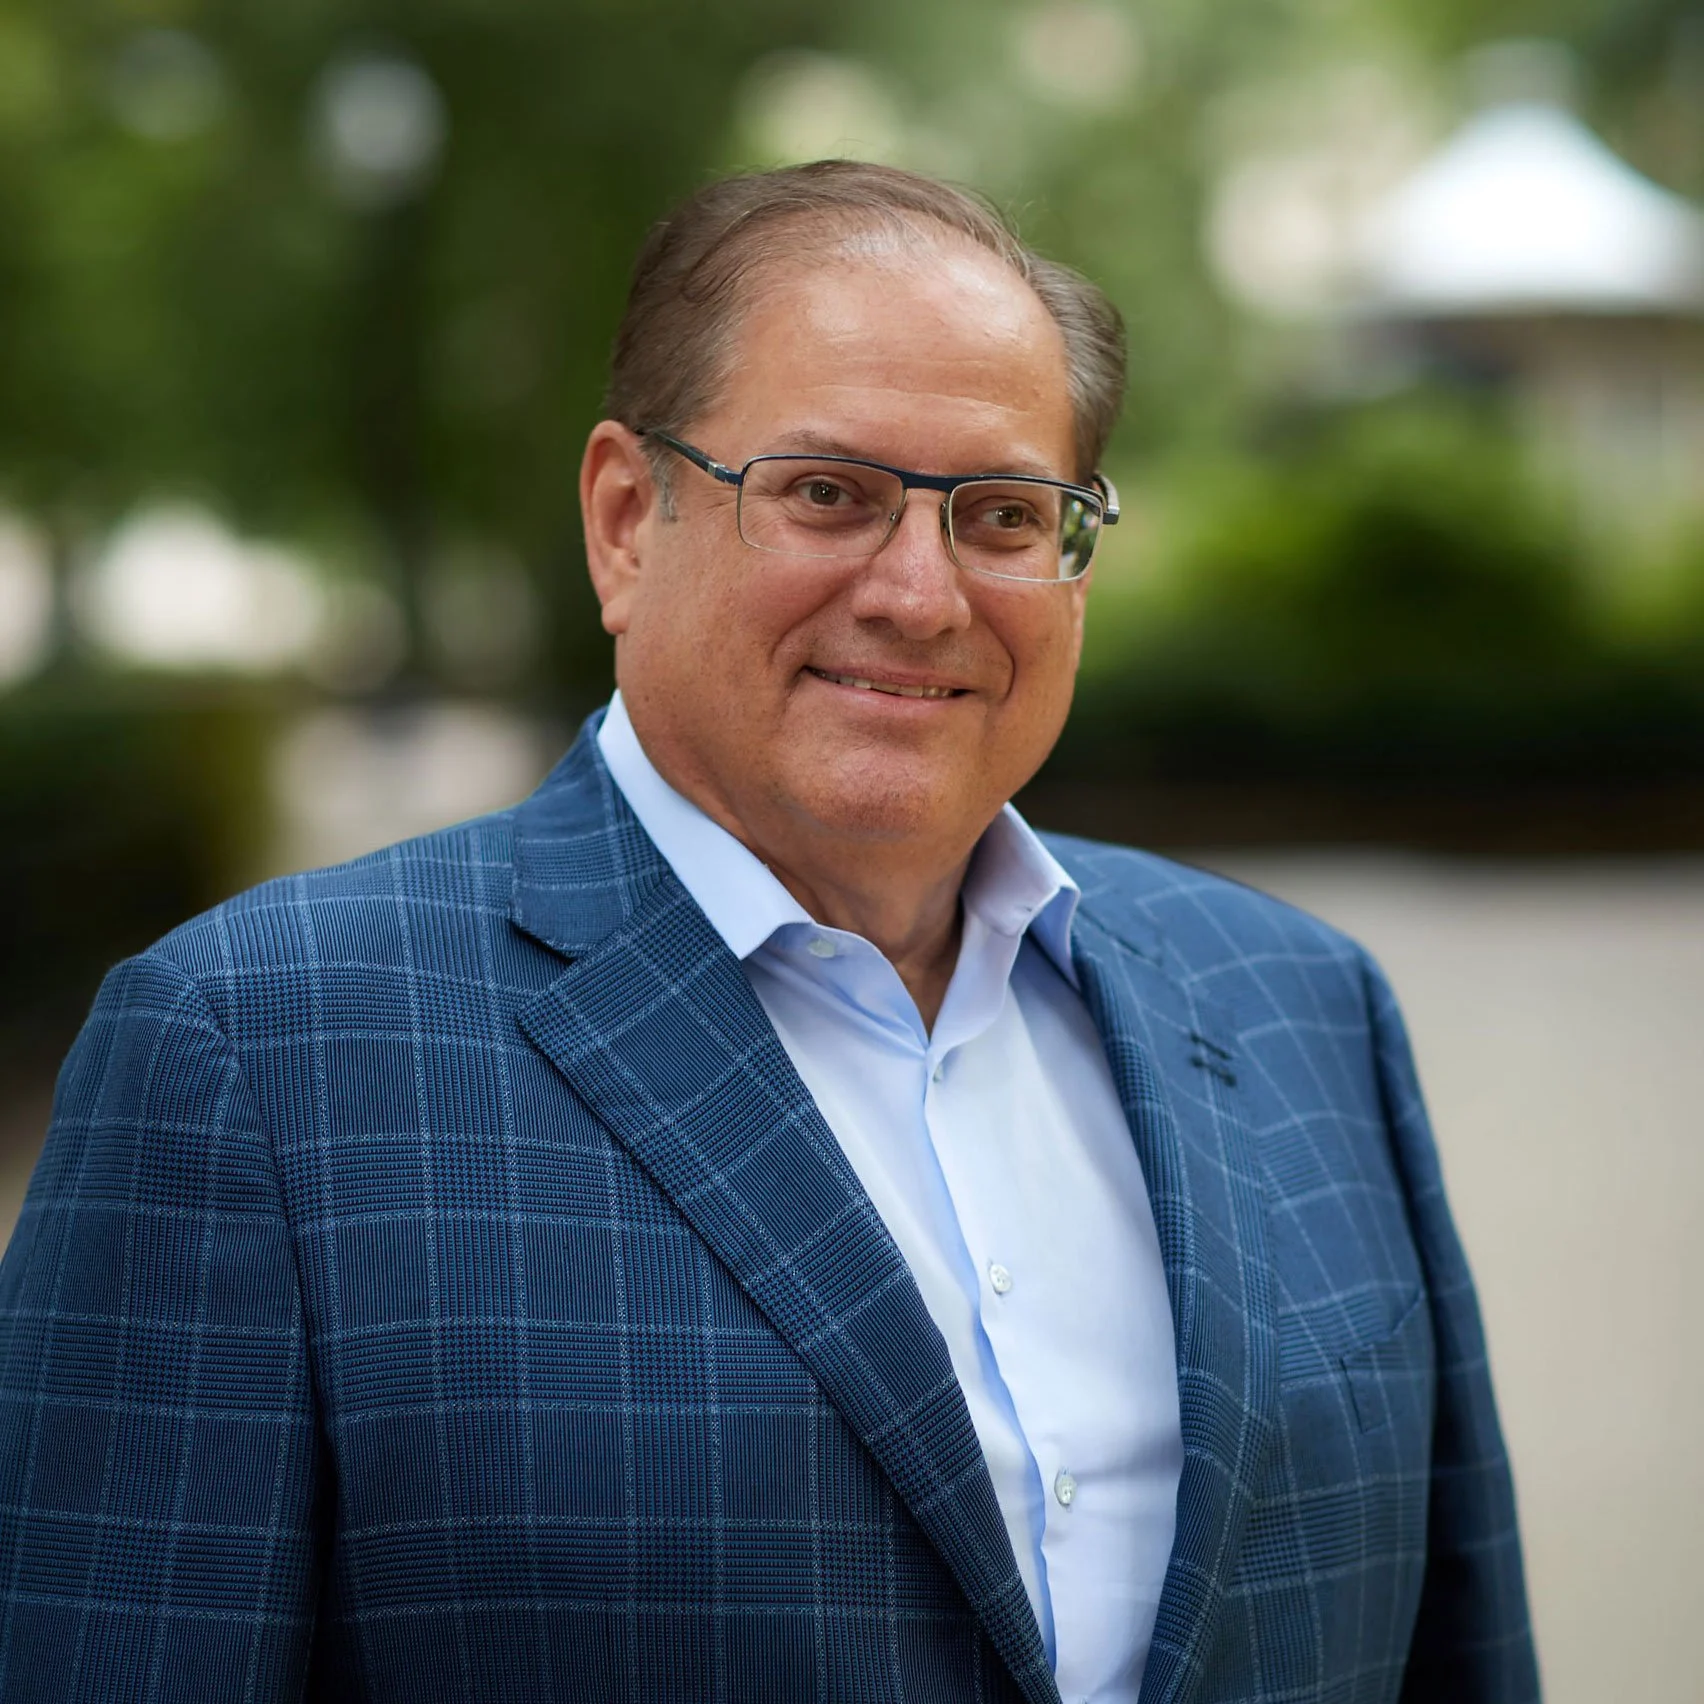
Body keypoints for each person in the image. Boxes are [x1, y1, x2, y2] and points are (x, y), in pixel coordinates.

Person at [0, 160, 1538, 1703]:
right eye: (829, 494)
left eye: (1006, 515)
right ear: (623, 521)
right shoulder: (255, 1063)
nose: (924, 595)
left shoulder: (1302, 1006)